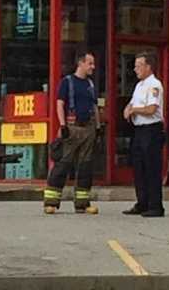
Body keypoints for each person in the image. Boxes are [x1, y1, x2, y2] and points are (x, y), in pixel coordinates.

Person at [44, 51, 101, 215]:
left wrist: (98, 127)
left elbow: (95, 106)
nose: (93, 67)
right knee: (63, 164)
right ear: (81, 63)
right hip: (72, 127)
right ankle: (51, 203)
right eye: (90, 63)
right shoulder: (67, 82)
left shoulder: (90, 84)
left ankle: (82, 204)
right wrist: (62, 126)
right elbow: (60, 104)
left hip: (88, 128)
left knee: (85, 167)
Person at [123, 52, 166, 218]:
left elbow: (151, 109)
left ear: (148, 66)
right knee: (139, 168)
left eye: (139, 66)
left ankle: (156, 206)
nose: (135, 69)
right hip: (139, 130)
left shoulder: (154, 85)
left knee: (151, 169)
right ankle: (142, 202)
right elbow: (133, 103)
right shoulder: (139, 86)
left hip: (152, 130)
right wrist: (128, 108)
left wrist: (134, 110)